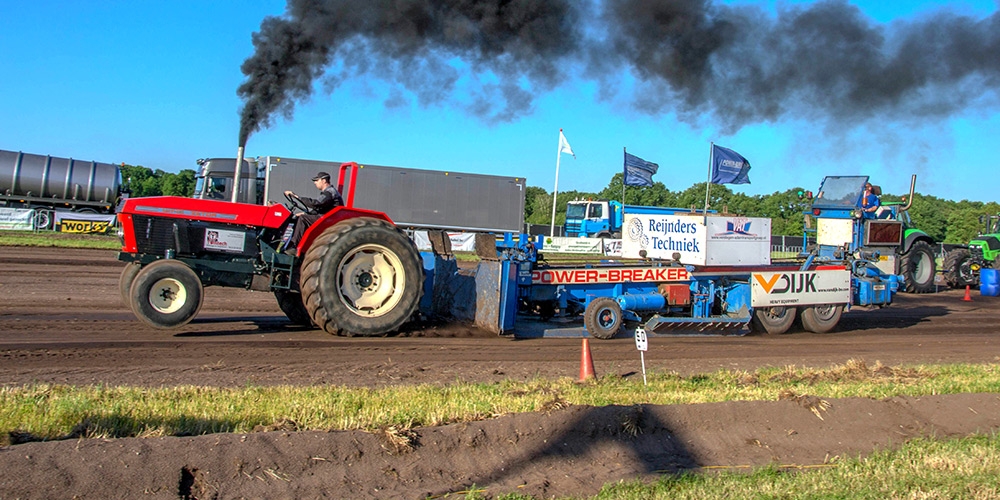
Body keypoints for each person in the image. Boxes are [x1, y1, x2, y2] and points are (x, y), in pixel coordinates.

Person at [282, 172, 344, 254]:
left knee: (303, 219)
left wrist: (297, 197)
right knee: (298, 217)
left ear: (324, 180)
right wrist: (306, 213)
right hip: (326, 218)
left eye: (317, 180)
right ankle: (288, 245)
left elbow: (316, 203)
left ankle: (294, 246)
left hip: (329, 221)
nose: (315, 183)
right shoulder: (328, 193)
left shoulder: (330, 192)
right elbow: (320, 208)